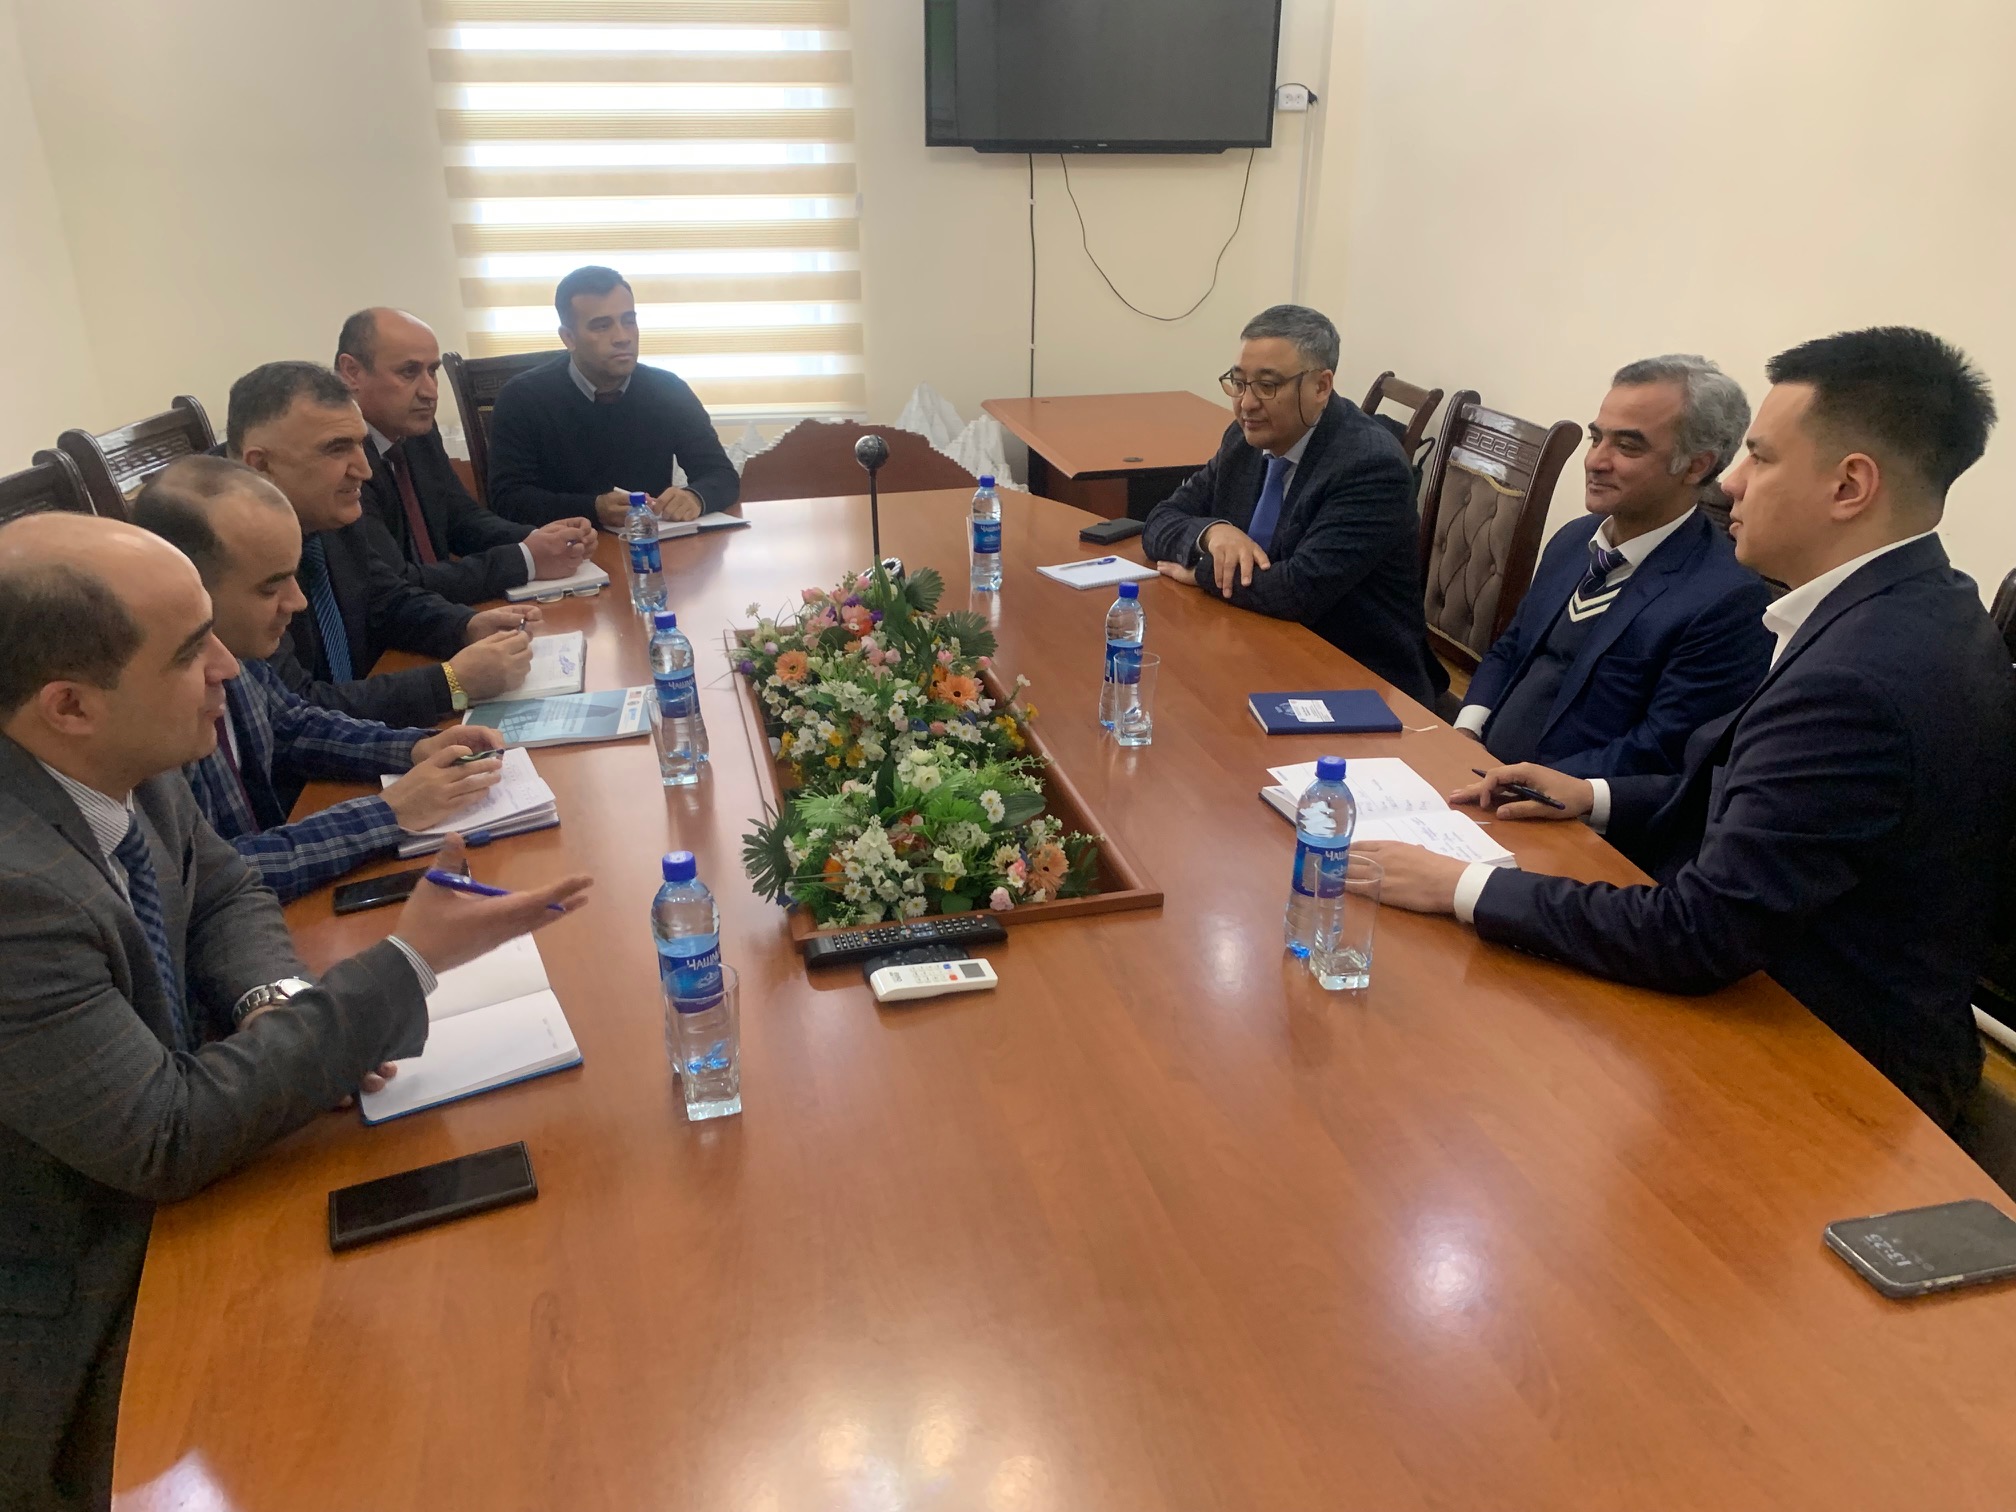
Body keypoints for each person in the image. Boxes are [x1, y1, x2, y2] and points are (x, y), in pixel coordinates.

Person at [0, 511, 592, 1511]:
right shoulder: (15, 890)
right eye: (189, 651)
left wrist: (280, 1001)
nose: (229, 669)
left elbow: (223, 890)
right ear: (69, 706)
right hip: (94, 1306)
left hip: (191, 1182)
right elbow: (166, 1137)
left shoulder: (120, 759)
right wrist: (407, 964)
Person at [1361, 327, 2016, 1132]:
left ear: (1850, 486)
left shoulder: (1859, 679)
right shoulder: (1921, 601)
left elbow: (1699, 933)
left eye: (1760, 458)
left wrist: (1460, 886)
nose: (1731, 483)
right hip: (1786, 989)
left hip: (1829, 1075)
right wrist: (1596, 796)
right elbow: (1759, 803)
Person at [133, 456, 510, 901]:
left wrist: (413, 748)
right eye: (270, 588)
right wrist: (387, 814)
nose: (297, 602)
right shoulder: (145, 713)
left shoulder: (240, 650)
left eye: (294, 578)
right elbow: (207, 880)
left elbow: (293, 725)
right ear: (187, 588)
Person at [1455, 355, 1773, 776]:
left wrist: (1537, 785)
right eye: (1596, 438)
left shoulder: (1726, 600)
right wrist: (1466, 730)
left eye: (1627, 446)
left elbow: (1663, 750)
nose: (1595, 461)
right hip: (1475, 766)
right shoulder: (1574, 540)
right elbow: (1512, 646)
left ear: (1696, 465)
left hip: (1563, 803)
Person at [1144, 304, 1445, 706]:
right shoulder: (1244, 439)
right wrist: (1212, 533)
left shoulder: (1371, 466)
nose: (1246, 403)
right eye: (1239, 382)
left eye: (1267, 386)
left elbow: (1297, 590)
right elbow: (1159, 520)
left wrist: (1200, 572)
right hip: (1253, 642)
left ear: (1321, 386)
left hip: (1353, 679)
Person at [227, 361, 537, 729]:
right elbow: (294, 713)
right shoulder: (224, 551)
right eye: (337, 449)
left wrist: (465, 626)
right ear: (261, 466)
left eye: (361, 445)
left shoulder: (321, 507)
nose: (364, 470)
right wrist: (450, 683)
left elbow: (386, 600)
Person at [335, 307, 597, 605]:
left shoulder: (415, 430)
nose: (431, 392)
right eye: (409, 372)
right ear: (352, 372)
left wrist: (537, 538)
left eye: (432, 371)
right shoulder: (339, 459)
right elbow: (397, 584)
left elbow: (461, 519)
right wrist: (525, 559)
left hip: (440, 613)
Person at [485, 264, 740, 530]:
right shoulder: (523, 398)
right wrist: (592, 509)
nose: (622, 337)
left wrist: (695, 497)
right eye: (602, 326)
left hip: (653, 544)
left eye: (629, 321)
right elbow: (507, 499)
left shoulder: (668, 389)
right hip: (568, 547)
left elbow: (721, 474)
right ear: (568, 338)